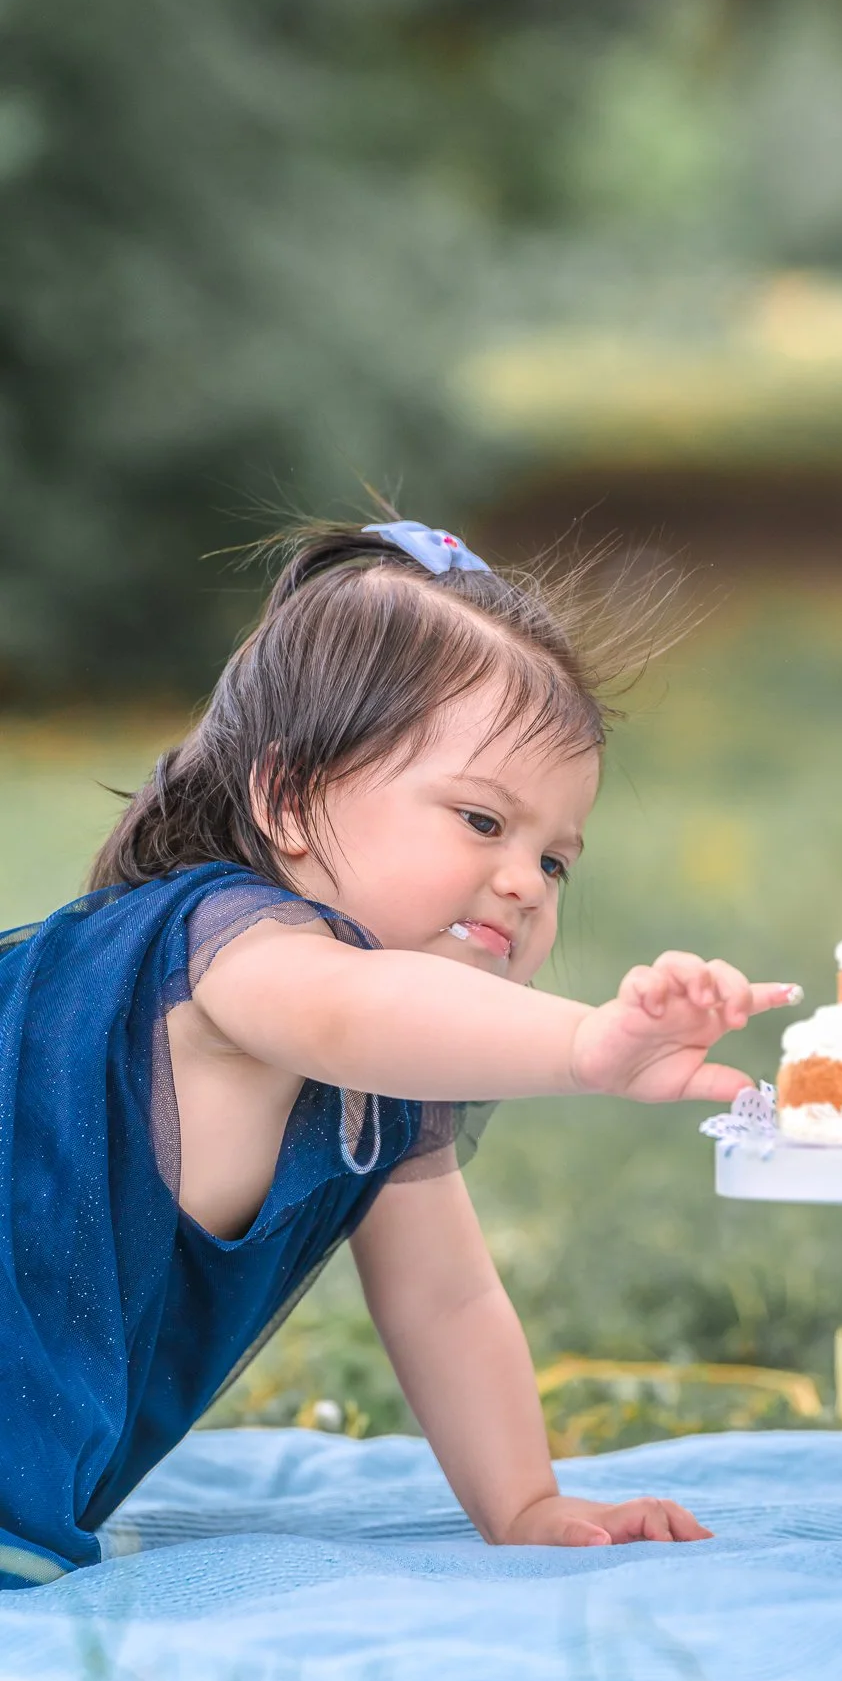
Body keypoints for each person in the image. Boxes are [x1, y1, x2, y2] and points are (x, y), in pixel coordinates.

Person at [0, 518, 799, 1587]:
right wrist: (586, 1043)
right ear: (287, 799)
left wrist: (526, 1500)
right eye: (481, 820)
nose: (524, 880)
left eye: (555, 859)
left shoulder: (384, 1078)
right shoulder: (222, 945)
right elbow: (347, 1004)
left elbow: (447, 1297)